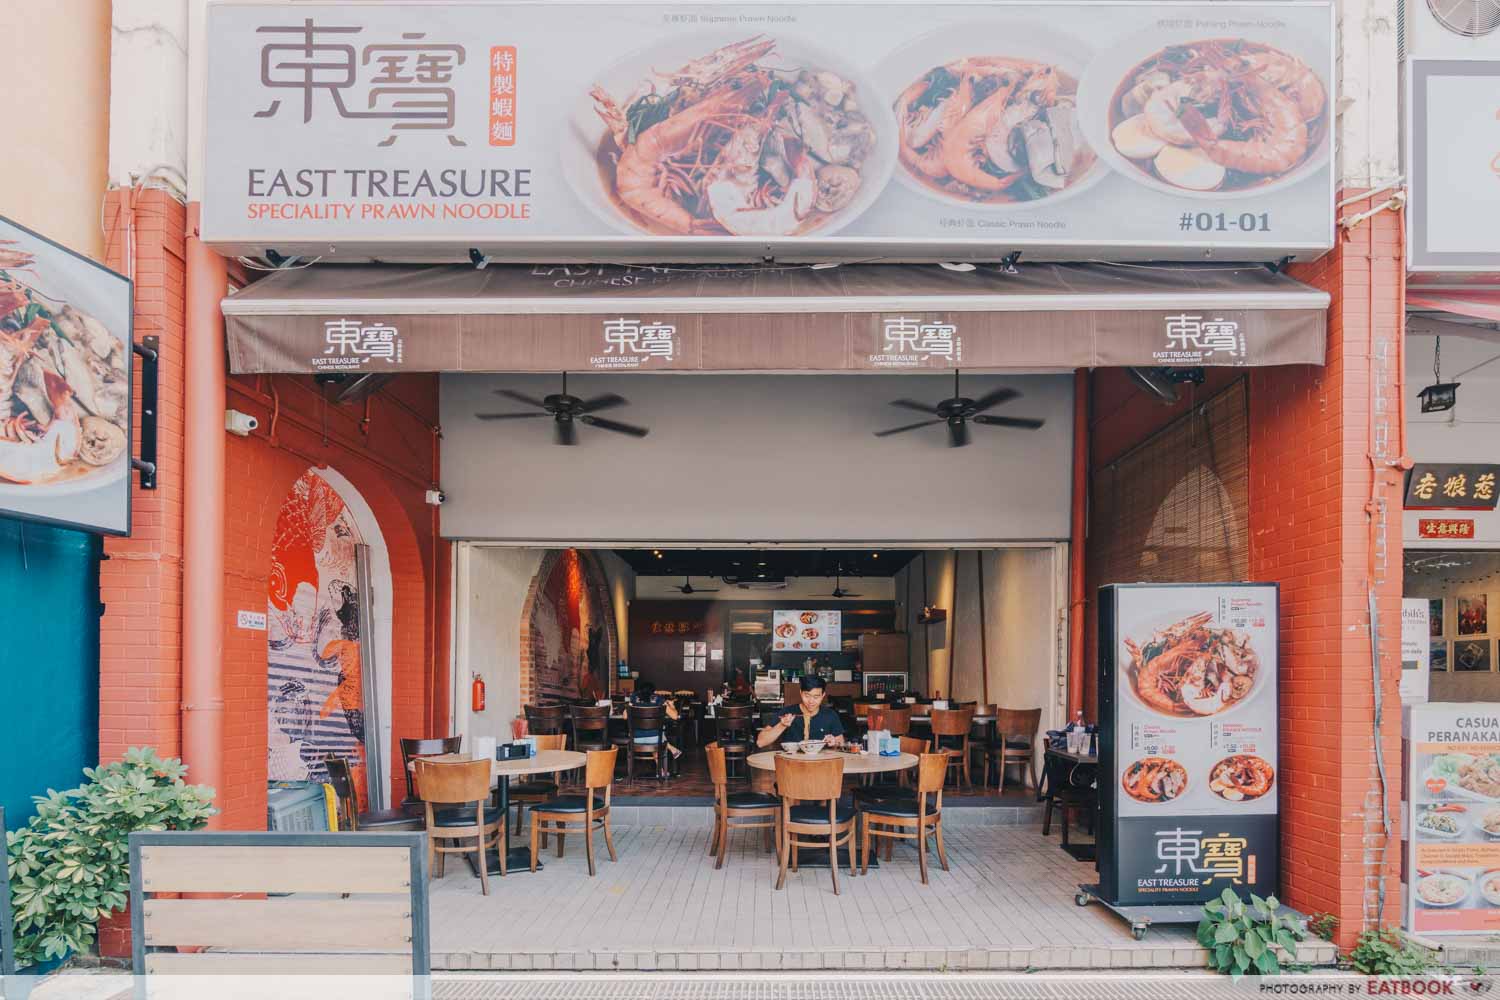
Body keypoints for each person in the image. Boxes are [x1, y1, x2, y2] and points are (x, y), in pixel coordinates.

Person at [757, 674, 845, 748]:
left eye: (816, 697)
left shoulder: (830, 715)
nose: (811, 701)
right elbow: (760, 742)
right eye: (807, 696)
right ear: (800, 693)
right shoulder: (788, 712)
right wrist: (782, 725)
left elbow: (841, 743)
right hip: (792, 763)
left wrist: (834, 741)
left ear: (823, 695)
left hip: (820, 764)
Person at [629, 681, 681, 775]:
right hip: (655, 739)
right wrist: (671, 705)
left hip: (635, 739)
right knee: (657, 734)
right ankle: (672, 751)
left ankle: (661, 770)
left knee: (654, 734)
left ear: (639, 691)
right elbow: (675, 716)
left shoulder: (633, 699)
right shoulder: (658, 699)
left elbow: (625, 716)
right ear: (654, 692)